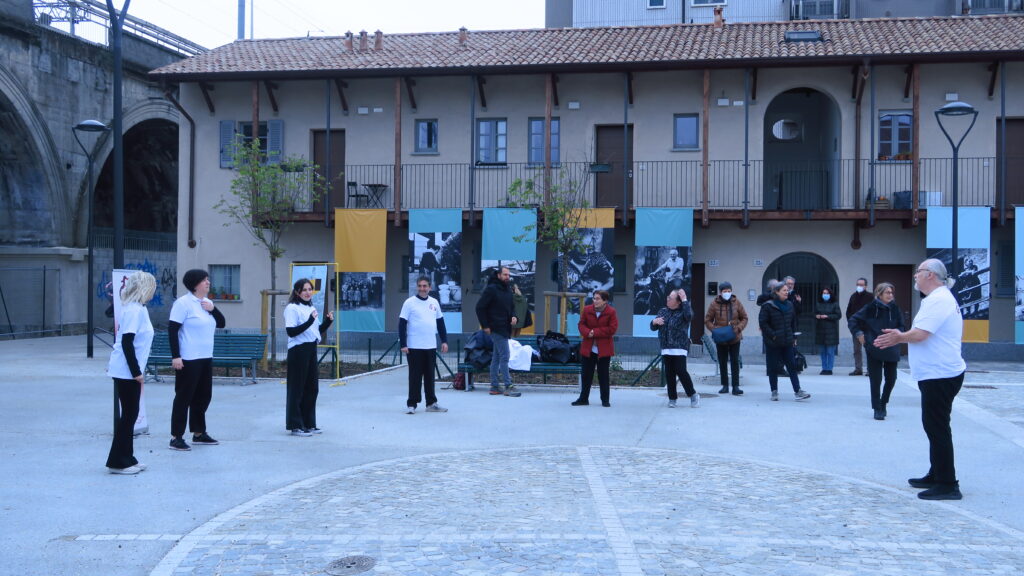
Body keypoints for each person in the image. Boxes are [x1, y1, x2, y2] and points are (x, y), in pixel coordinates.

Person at [874, 259, 966, 501]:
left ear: (931, 275)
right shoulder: (938, 298)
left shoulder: (939, 300)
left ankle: (947, 484)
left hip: (941, 375)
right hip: (938, 374)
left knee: (937, 428)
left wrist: (898, 337)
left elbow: (921, 335)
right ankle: (937, 474)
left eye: (919, 272)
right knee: (934, 426)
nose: (915, 276)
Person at [168, 269, 226, 451]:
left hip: (205, 357)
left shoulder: (207, 303)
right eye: (204, 280)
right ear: (194, 284)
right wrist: (176, 356)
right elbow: (172, 330)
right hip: (188, 358)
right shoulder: (183, 304)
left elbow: (222, 323)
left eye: (208, 279)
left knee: (203, 396)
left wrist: (213, 309)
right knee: (184, 397)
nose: (208, 283)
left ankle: (199, 433)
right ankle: (176, 437)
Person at [105, 271, 157, 474]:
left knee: (130, 414)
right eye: (152, 287)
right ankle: (117, 462)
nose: (154, 291)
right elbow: (127, 342)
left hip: (128, 369)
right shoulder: (135, 310)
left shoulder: (138, 309)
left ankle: (128, 457)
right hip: (126, 370)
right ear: (145, 288)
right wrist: (136, 372)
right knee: (128, 415)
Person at [849, 282, 905, 421]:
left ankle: (883, 402)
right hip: (874, 347)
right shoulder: (870, 307)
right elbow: (853, 320)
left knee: (891, 379)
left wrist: (898, 334)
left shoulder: (895, 308)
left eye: (892, 292)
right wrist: (859, 334)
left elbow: (902, 326)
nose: (891, 295)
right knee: (876, 380)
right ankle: (877, 408)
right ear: (879, 294)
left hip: (891, 347)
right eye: (887, 292)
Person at [284, 278, 333, 435]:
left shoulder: (310, 307)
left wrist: (327, 322)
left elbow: (315, 330)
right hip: (298, 350)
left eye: (310, 289)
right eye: (304, 290)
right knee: (296, 389)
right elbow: (291, 331)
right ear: (297, 292)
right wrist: (310, 320)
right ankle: (295, 425)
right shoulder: (292, 308)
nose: (307, 292)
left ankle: (309, 423)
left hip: (311, 349)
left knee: (312, 388)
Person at [400, 276, 449, 414]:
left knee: (429, 376)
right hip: (414, 346)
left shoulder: (434, 302)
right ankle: (412, 404)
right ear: (417, 287)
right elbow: (402, 324)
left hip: (430, 346)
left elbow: (440, 323)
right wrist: (403, 344)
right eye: (420, 286)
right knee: (415, 376)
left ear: (430, 287)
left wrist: (444, 341)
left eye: (425, 286)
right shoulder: (409, 303)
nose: (422, 288)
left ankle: (431, 403)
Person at [759, 281, 811, 401]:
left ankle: (798, 391)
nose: (787, 292)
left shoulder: (789, 305)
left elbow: (793, 323)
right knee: (773, 367)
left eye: (787, 290)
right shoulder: (768, 305)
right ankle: (774, 391)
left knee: (792, 366)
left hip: (787, 341)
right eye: (784, 290)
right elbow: (763, 323)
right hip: (773, 342)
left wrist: (794, 337)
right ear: (776, 292)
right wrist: (773, 335)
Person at [475, 267, 521, 397]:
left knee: (496, 357)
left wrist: (514, 316)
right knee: (505, 356)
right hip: (495, 328)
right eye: (505, 274)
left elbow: (511, 307)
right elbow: (479, 307)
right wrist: (485, 325)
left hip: (505, 327)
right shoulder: (491, 289)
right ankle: (508, 386)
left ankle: (494, 386)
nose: (507, 277)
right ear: (499, 275)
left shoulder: (507, 289)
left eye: (508, 275)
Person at [651, 289, 700, 408]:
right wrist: (654, 322)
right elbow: (653, 328)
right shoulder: (663, 311)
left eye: (670, 298)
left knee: (681, 370)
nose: (667, 299)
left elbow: (689, 316)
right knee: (669, 373)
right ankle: (672, 398)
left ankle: (693, 395)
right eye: (668, 297)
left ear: (677, 302)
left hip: (679, 347)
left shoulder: (684, 311)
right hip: (666, 347)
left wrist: (684, 300)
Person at [573, 290, 619, 407]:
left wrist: (595, 332)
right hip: (588, 348)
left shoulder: (611, 312)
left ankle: (605, 400)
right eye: (594, 298)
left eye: (598, 298)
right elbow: (581, 324)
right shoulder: (587, 309)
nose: (595, 301)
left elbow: (612, 329)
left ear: (605, 301)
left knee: (603, 375)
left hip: (604, 349)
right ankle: (583, 399)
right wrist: (588, 332)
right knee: (586, 375)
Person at [704, 281, 748, 395]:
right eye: (725, 291)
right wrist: (714, 330)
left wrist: (738, 328)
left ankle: (735, 386)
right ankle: (724, 385)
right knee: (722, 362)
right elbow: (707, 320)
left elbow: (744, 318)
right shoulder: (714, 304)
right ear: (720, 292)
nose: (727, 293)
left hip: (735, 337)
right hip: (721, 338)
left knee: (734, 361)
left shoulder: (736, 302)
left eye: (729, 291)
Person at [846, 277, 874, 376]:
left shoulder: (870, 297)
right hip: (856, 328)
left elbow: (873, 312)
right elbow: (848, 312)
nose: (859, 286)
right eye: (858, 284)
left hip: (867, 328)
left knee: (869, 349)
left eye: (861, 285)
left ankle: (870, 370)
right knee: (856, 350)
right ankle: (858, 369)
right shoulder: (853, 296)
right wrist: (851, 324)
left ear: (866, 286)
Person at [814, 287, 841, 375]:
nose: (825, 295)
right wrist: (816, 316)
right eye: (823, 293)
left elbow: (838, 315)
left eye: (827, 293)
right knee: (823, 351)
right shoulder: (818, 303)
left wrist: (827, 316)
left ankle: (829, 369)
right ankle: (824, 368)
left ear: (830, 294)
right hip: (820, 330)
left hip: (831, 331)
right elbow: (814, 313)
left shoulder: (835, 304)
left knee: (830, 351)